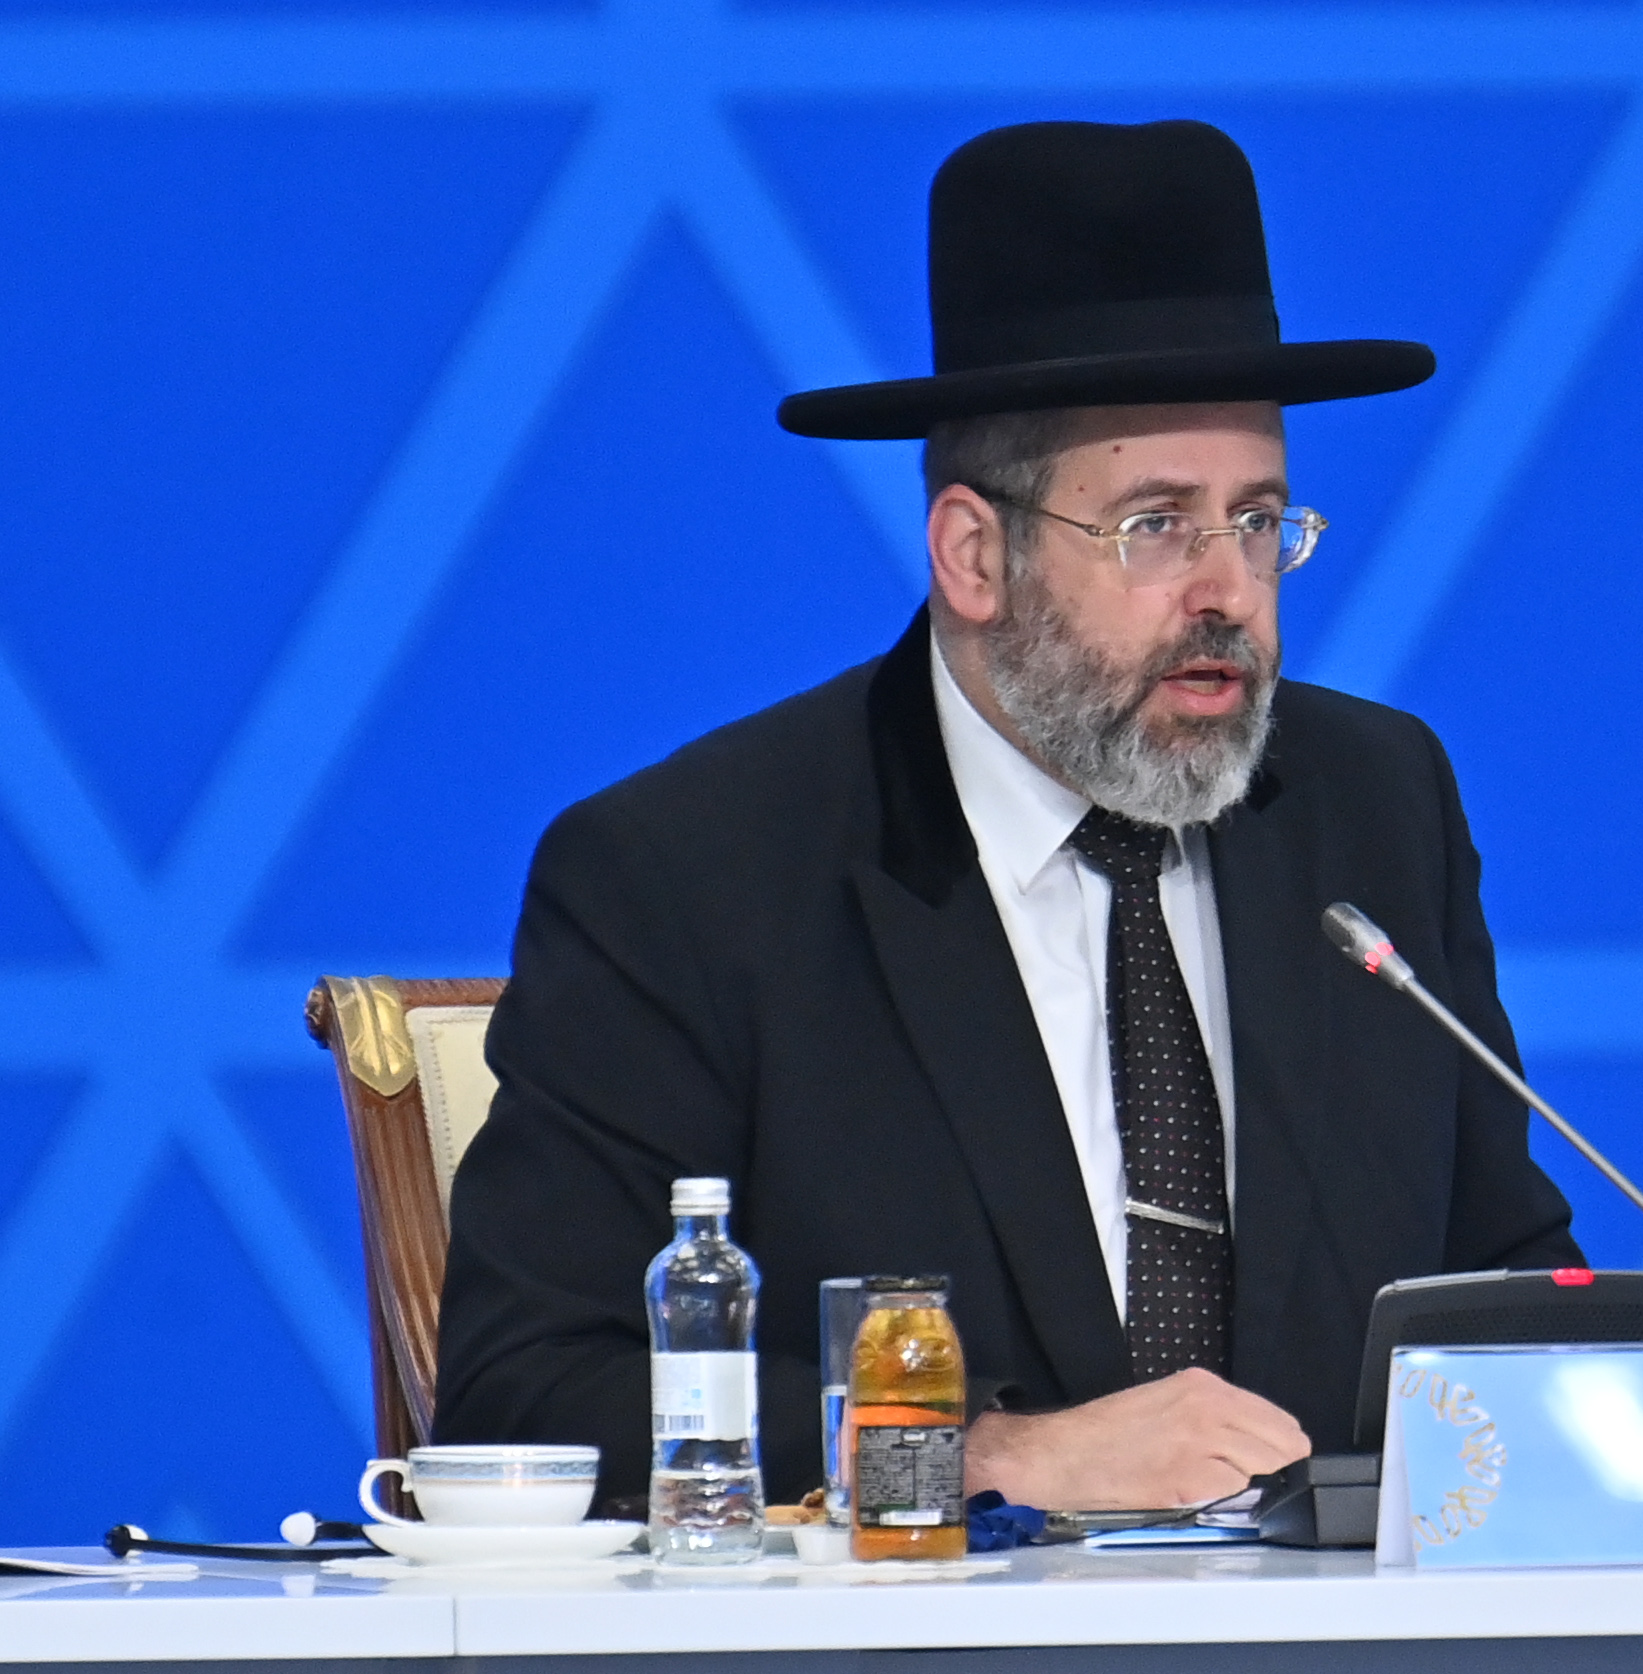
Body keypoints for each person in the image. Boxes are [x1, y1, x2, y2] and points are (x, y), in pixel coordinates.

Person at [433, 118, 1582, 1516]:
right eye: (1156, 526)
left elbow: (1509, 1294)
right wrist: (990, 1455)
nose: (1229, 590)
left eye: (1259, 519)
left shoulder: (1374, 804)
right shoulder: (692, 874)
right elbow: (529, 1387)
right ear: (975, 555)